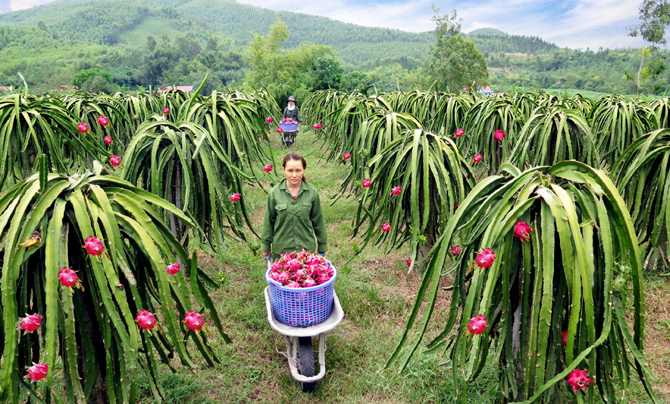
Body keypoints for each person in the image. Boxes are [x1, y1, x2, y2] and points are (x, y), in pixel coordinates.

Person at [261, 152, 327, 261]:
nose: (294, 175)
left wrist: (322, 246)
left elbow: (318, 222)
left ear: (304, 170)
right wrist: (266, 246)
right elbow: (268, 222)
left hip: (307, 252)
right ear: (284, 170)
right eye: (290, 170)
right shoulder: (274, 193)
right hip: (282, 252)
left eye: (298, 170)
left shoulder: (312, 193)